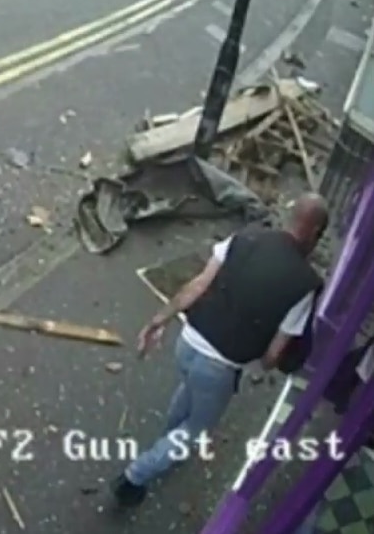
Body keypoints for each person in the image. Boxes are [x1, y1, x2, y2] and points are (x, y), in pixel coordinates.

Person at [111, 192, 329, 507]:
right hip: (219, 368)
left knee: (188, 391)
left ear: (291, 216)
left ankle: (167, 443)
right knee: (197, 431)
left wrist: (158, 321)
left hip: (187, 342)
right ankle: (133, 478)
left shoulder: (245, 236)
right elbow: (273, 356)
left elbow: (197, 285)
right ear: (314, 232)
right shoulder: (306, 284)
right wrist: (258, 358)